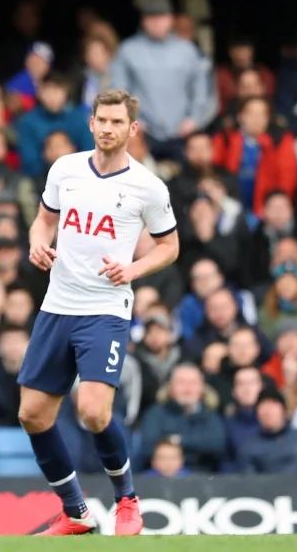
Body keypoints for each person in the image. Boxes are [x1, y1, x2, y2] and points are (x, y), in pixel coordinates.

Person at [19, 89, 180, 536]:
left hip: (105, 310)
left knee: (92, 410)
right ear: (90, 124)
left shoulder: (148, 186)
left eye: (117, 122)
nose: (108, 128)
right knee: (32, 415)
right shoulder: (65, 169)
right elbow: (44, 219)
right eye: (101, 120)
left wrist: (133, 268)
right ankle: (76, 513)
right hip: (57, 305)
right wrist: (36, 241)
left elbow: (170, 246)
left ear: (133, 129)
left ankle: (127, 499)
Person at [109, 0, 213, 159]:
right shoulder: (128, 50)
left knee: (183, 182)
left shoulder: (187, 50)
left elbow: (200, 88)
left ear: (171, 19)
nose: (157, 23)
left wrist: (194, 119)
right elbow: (118, 89)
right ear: (144, 21)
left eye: (162, 17)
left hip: (182, 131)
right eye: (152, 18)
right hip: (142, 132)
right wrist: (132, 119)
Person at [236, 390, 297, 475]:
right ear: (257, 413)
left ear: (284, 410)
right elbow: (248, 484)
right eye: (263, 406)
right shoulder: (248, 448)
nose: (267, 411)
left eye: (273, 405)